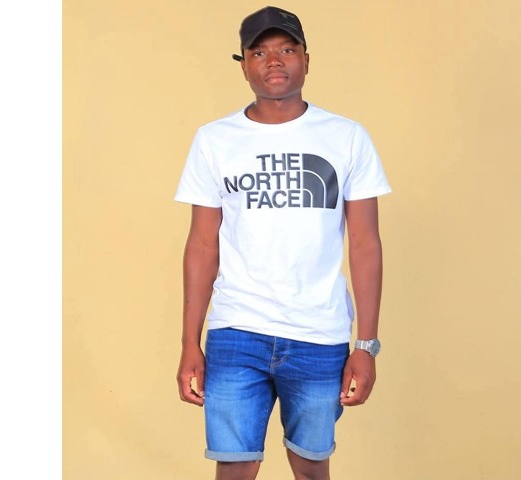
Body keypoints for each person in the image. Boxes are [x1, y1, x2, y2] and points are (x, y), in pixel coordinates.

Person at [175, 6, 391, 480]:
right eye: (259, 52)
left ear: (307, 60)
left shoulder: (346, 137)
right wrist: (190, 342)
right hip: (237, 329)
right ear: (244, 65)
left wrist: (366, 346)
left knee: (312, 468)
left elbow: (365, 244)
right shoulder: (214, 140)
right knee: (234, 470)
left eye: (287, 50)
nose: (274, 61)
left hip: (319, 332)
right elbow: (202, 245)